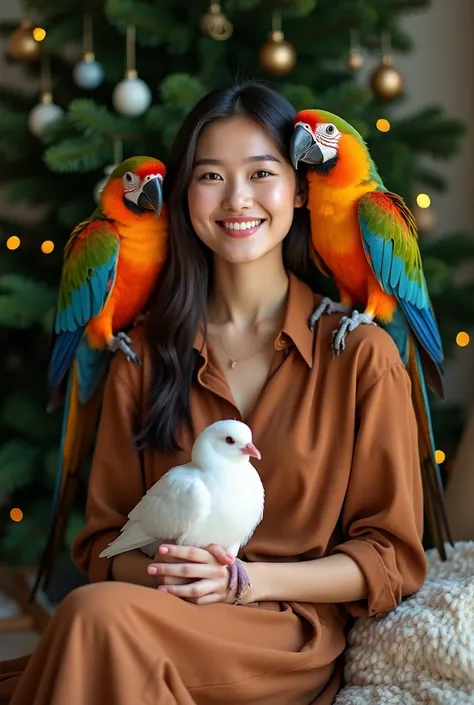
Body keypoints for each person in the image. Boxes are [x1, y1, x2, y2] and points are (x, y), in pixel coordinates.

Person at [0, 81, 427, 705]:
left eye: (261, 172)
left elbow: (392, 559)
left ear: (300, 188)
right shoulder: (137, 357)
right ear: (183, 196)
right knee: (98, 622)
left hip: (283, 638)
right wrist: (172, 571)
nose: (237, 198)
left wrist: (244, 581)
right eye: (210, 176)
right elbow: (101, 547)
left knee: (91, 624)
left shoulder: (362, 357)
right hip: (150, 615)